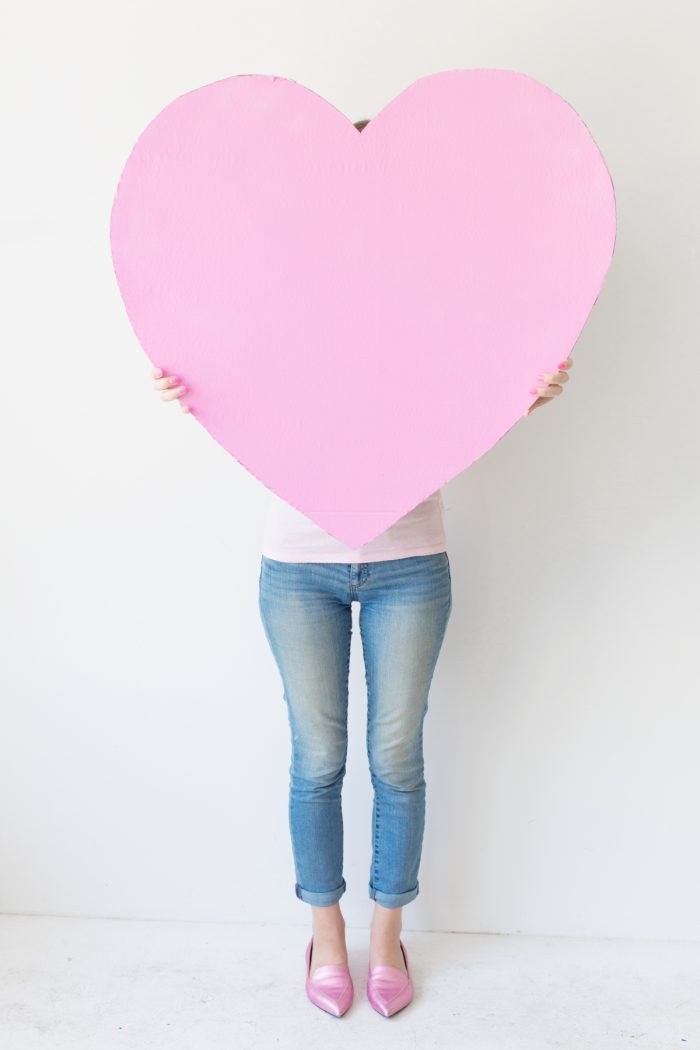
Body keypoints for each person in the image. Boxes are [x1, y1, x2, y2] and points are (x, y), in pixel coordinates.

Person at [150, 115, 572, 1017]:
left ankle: (388, 938)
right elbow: (234, 369)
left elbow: (472, 391)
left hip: (409, 562)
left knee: (396, 756)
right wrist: (191, 386)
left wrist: (525, 395)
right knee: (318, 758)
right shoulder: (276, 297)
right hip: (298, 564)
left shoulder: (432, 302)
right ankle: (327, 935)